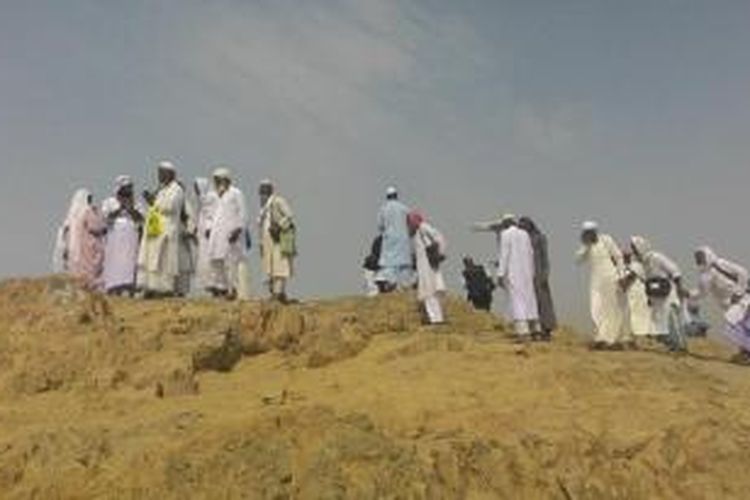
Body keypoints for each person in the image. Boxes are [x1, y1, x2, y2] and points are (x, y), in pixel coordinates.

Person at [576, 221, 630, 350]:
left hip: (611, 277)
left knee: (611, 309)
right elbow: (578, 260)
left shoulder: (606, 239)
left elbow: (618, 256)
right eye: (586, 233)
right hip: (596, 281)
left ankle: (611, 340)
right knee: (596, 307)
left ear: (595, 231)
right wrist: (586, 246)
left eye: (591, 232)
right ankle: (600, 337)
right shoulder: (586, 245)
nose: (589, 235)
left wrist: (622, 275)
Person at [137, 160, 186, 298]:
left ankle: (164, 289)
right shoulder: (162, 189)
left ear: (170, 174)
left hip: (167, 229)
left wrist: (153, 201)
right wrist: (152, 200)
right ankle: (152, 287)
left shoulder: (176, 189)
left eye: (162, 173)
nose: (159, 176)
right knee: (153, 258)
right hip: (156, 229)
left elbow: (170, 207)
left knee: (164, 259)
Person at [630, 236, 687, 352]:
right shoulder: (642, 263)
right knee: (657, 326)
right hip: (655, 297)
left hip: (667, 295)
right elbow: (646, 280)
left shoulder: (656, 257)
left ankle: (680, 347)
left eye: (634, 248)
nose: (633, 251)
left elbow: (675, 270)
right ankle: (672, 345)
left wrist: (680, 288)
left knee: (672, 321)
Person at [693, 246, 748, 359]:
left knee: (734, 325)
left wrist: (738, 293)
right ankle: (745, 353)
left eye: (701, 257)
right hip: (732, 306)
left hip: (743, 301)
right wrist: (687, 294)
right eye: (697, 258)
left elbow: (743, 273)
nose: (699, 260)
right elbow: (701, 293)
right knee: (740, 328)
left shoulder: (720, 264)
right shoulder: (705, 276)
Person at [207, 167, 250, 300]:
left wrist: (238, 229)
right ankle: (223, 288)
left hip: (232, 235)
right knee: (219, 261)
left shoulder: (236, 193)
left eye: (218, 180)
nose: (215, 183)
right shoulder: (218, 196)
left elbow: (243, 213)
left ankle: (234, 290)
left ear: (225, 180)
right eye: (215, 180)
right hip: (218, 235)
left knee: (232, 263)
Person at [496, 215, 540, 341]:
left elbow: (504, 254)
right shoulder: (525, 234)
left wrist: (500, 274)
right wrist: (532, 271)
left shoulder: (505, 234)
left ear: (505, 223)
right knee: (530, 300)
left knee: (517, 300)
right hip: (526, 272)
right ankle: (536, 329)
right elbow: (531, 254)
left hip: (513, 272)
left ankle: (523, 332)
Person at [53, 189, 107, 290]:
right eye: (89, 199)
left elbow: (65, 232)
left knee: (77, 271)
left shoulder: (71, 215)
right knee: (90, 271)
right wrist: (99, 216)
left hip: (74, 251)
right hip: (88, 248)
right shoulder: (87, 211)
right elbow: (95, 227)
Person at [101, 176, 143, 296]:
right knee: (115, 262)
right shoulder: (109, 202)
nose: (128, 191)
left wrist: (130, 209)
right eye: (125, 188)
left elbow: (141, 219)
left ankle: (129, 288)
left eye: (130, 188)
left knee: (130, 260)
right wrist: (120, 208)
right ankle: (114, 288)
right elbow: (105, 218)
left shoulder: (136, 203)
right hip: (115, 235)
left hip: (131, 234)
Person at [518, 217, 557, 341]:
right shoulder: (522, 239)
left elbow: (545, 257)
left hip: (539, 273)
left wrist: (545, 274)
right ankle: (534, 330)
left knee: (543, 302)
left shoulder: (540, 237)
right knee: (529, 303)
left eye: (525, 224)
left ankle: (546, 330)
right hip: (526, 275)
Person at [258, 180, 295, 302]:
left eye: (265, 190)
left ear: (270, 190)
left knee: (280, 265)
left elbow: (289, 215)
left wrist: (279, 226)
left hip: (277, 238)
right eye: (261, 191)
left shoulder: (278, 201)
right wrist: (260, 243)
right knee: (269, 267)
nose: (263, 193)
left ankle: (279, 292)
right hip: (267, 239)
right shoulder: (263, 208)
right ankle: (274, 292)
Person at [408, 211, 447, 324]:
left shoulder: (423, 227)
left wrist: (440, 252)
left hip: (428, 266)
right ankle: (434, 318)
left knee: (430, 293)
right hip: (424, 267)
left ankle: (436, 319)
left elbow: (438, 236)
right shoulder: (416, 233)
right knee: (428, 293)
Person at [376, 187, 413, 292]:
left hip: (389, 239)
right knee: (404, 263)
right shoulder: (404, 208)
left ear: (387, 197)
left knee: (389, 263)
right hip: (403, 239)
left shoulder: (383, 209)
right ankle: (405, 286)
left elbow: (380, 226)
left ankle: (391, 284)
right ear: (396, 196)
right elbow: (411, 222)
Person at [193, 177, 220, 294]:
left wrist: (209, 227)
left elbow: (213, 214)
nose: (196, 192)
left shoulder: (212, 197)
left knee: (211, 259)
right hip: (203, 236)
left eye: (197, 189)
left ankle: (215, 284)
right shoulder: (202, 200)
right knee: (203, 260)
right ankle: (209, 285)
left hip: (210, 234)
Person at [622, 248, 654, 338]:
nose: (626, 258)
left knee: (641, 315)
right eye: (624, 256)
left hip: (639, 294)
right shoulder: (622, 268)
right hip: (629, 295)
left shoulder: (636, 266)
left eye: (627, 256)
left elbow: (631, 277)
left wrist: (622, 285)